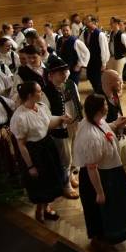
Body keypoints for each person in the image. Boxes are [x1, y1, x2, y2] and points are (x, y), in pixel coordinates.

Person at [73, 93, 126, 249]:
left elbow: (105, 129)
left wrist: (116, 124)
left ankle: (109, 236)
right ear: (98, 110)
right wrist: (100, 192)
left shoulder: (94, 121)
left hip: (109, 173)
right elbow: (91, 167)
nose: (108, 107)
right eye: (105, 105)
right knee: (102, 210)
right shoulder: (91, 137)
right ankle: (102, 240)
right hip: (100, 178)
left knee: (112, 208)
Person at [10, 81, 71, 223]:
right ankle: (39, 208)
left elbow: (47, 124)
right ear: (30, 95)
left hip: (47, 147)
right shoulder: (20, 117)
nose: (41, 93)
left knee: (51, 179)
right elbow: (21, 144)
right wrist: (30, 166)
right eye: (38, 91)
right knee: (40, 183)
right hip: (34, 152)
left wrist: (61, 119)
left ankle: (47, 207)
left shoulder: (41, 107)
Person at [43, 57, 82, 199]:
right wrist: (60, 120)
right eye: (60, 72)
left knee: (75, 153)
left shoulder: (72, 84)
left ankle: (71, 176)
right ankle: (66, 185)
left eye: (65, 71)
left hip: (74, 124)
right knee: (65, 158)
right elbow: (45, 116)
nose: (65, 74)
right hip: (60, 129)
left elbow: (77, 102)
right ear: (51, 75)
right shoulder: (45, 92)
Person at [101, 70, 126, 178]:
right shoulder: (100, 101)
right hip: (110, 141)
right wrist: (116, 125)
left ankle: (124, 190)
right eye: (119, 82)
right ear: (110, 83)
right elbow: (99, 127)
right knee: (114, 170)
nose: (122, 84)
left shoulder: (114, 94)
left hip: (121, 135)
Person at [81, 15, 110, 94]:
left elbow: (104, 49)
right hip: (90, 60)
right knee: (90, 75)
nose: (85, 23)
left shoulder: (100, 34)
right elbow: (81, 44)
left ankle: (100, 93)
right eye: (85, 21)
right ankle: (96, 89)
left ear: (93, 22)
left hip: (98, 60)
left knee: (98, 78)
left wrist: (104, 63)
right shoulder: (85, 32)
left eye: (87, 21)